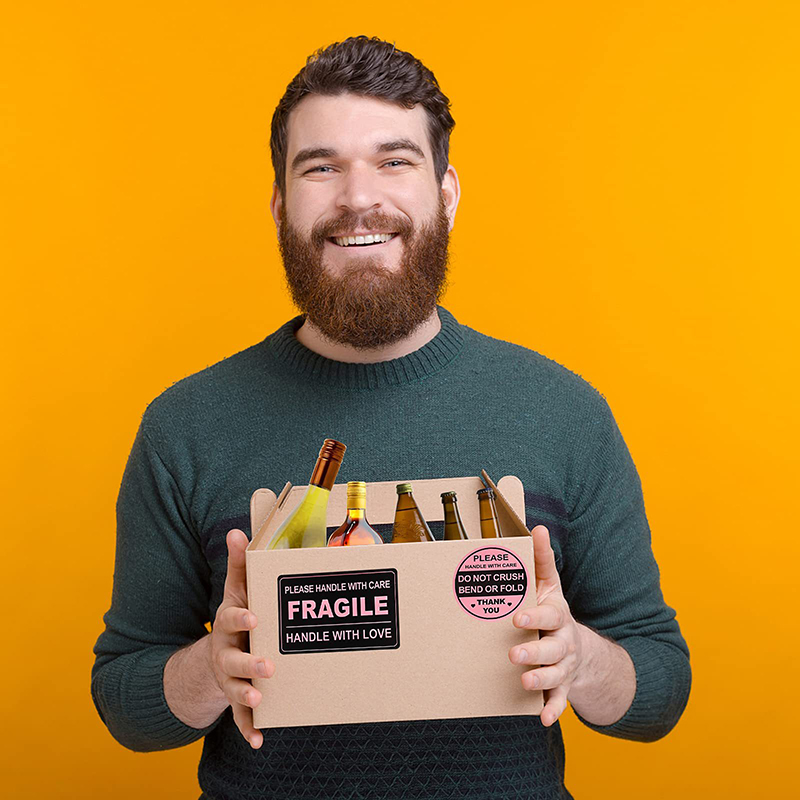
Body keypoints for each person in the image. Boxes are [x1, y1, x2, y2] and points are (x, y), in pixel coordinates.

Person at [91, 35, 691, 800]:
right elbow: (126, 702)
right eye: (321, 167)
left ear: (447, 193)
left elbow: (658, 691)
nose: (357, 198)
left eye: (394, 161)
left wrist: (580, 656)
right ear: (280, 204)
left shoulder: (562, 412)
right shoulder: (186, 425)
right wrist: (210, 671)